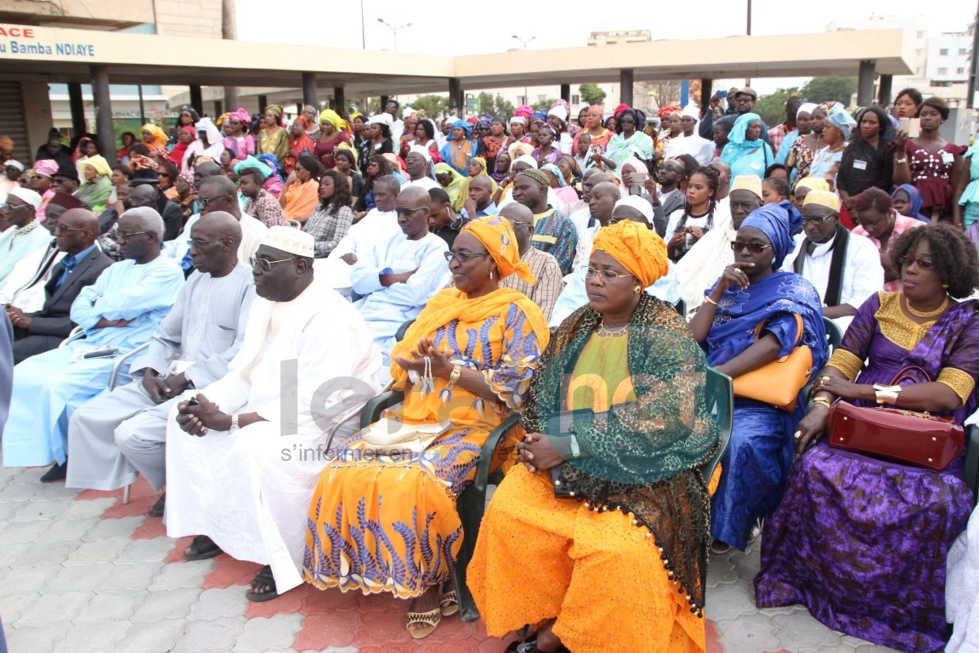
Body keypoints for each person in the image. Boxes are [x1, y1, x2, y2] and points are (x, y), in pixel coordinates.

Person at [469, 218, 718, 652]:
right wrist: (540, 438)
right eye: (592, 270)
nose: (595, 282)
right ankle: (550, 613)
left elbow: (667, 416)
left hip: (649, 470)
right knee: (510, 512)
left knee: (616, 550)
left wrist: (570, 443)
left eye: (609, 273)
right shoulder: (578, 323)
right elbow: (542, 391)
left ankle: (559, 639)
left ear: (638, 282)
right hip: (571, 459)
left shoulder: (665, 331)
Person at [303, 214, 550, 639]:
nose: (453, 265)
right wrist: (419, 366)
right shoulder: (443, 303)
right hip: (418, 415)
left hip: (474, 425)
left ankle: (429, 582)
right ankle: (381, 566)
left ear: (493, 262)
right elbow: (412, 367)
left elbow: (518, 390)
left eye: (465, 257)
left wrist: (449, 371)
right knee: (343, 469)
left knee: (413, 479)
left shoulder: (518, 313)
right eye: (451, 255)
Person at [756, 223, 979, 653]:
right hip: (860, 429)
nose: (910, 270)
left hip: (925, 441)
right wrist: (822, 406)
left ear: (948, 274)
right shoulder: (879, 305)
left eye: (925, 264)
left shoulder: (968, 321)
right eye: (908, 260)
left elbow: (951, 393)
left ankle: (894, 612)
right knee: (814, 467)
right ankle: (817, 588)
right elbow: (839, 365)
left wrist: (864, 392)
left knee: (937, 500)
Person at [167, 226, 384, 602]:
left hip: (327, 419)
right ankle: (223, 529)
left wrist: (233, 420)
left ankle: (284, 555)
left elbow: (317, 402)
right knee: (182, 418)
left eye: (265, 264)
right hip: (278, 400)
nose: (256, 272)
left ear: (300, 266)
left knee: (255, 448)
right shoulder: (268, 301)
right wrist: (208, 403)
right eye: (255, 263)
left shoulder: (329, 314)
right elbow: (245, 372)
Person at [64, 213, 253, 513]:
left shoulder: (249, 285)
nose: (191, 252)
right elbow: (165, 334)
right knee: (87, 416)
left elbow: (242, 350)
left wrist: (188, 378)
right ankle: (175, 480)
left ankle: (175, 485)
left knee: (131, 435)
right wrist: (150, 371)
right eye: (192, 243)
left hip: (210, 385)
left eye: (200, 244)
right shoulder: (195, 280)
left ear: (228, 244)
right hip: (169, 378)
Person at [1, 208, 184, 480]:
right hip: (89, 342)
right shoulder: (117, 268)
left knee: (56, 385)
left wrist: (101, 308)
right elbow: (79, 308)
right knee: (24, 375)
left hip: (126, 353)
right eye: (118, 234)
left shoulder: (167, 271)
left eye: (126, 235)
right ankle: (48, 449)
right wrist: (104, 318)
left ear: (151, 237)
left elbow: (123, 303)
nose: (118, 241)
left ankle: (66, 455)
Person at [688, 201, 827, 553]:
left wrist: (716, 376)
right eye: (739, 244)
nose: (745, 252)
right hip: (709, 387)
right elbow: (692, 339)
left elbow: (774, 344)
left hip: (757, 401)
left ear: (776, 249)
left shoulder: (794, 290)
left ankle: (727, 527)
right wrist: (717, 291)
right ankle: (678, 516)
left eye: (756, 246)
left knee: (738, 441)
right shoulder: (730, 287)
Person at [350, 186, 451, 360]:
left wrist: (376, 282)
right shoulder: (388, 241)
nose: (401, 219)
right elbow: (357, 281)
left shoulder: (436, 247)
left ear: (426, 212)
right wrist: (396, 277)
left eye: (408, 213)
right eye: (398, 212)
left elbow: (414, 294)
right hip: (363, 310)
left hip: (394, 322)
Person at [7, 209, 113, 363]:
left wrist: (31, 322)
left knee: (6, 353)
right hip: (44, 328)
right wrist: (18, 315)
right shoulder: (62, 264)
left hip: (68, 337)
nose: (56, 233)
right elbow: (50, 311)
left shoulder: (104, 269)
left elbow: (86, 322)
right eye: (57, 227)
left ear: (85, 235)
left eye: (63, 229)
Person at [781, 190, 884, 330]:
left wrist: (811, 315)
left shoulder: (861, 247)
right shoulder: (795, 244)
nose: (810, 227)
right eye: (805, 220)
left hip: (846, 328)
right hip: (798, 324)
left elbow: (864, 303)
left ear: (836, 218)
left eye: (818, 219)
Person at [674, 175, 764, 315]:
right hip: (701, 311)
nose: (739, 210)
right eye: (734, 205)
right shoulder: (714, 237)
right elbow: (680, 276)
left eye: (746, 205)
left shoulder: (765, 243)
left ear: (760, 205)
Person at [894, 96, 966, 223]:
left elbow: (957, 189)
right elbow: (902, 181)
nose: (927, 117)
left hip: (942, 208)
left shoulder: (954, 150)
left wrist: (957, 221)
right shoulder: (906, 145)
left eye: (933, 114)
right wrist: (900, 151)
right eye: (923, 114)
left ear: (942, 118)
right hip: (913, 204)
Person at [498, 203, 564, 322]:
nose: (502, 229)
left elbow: (540, 318)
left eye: (510, 224)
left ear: (529, 230)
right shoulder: (487, 257)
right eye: (499, 223)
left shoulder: (546, 263)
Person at [851, 187, 923, 292]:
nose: (868, 228)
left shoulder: (916, 230)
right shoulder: (857, 234)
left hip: (907, 301)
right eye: (863, 223)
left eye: (874, 223)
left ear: (889, 213)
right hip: (869, 303)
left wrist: (890, 263)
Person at [512, 169, 579, 276]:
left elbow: (559, 268)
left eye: (524, 188)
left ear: (542, 190)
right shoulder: (509, 219)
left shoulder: (563, 225)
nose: (517, 193)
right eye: (515, 188)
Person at [837, 106, 894, 216]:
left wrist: (858, 199)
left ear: (881, 126)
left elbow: (886, 181)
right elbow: (841, 178)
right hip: (848, 206)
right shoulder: (851, 148)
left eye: (872, 123)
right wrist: (847, 201)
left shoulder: (887, 148)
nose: (866, 126)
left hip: (874, 205)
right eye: (864, 122)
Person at [665, 165, 725, 262]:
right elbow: (666, 258)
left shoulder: (720, 218)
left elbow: (720, 256)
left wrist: (702, 240)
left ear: (710, 192)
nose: (691, 191)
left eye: (698, 187)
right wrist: (672, 245)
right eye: (689, 186)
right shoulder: (676, 216)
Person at [0, 188, 52, 291]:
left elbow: (24, 277)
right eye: (5, 206)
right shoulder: (13, 231)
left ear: (30, 209)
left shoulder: (42, 238)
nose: (5, 211)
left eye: (11, 207)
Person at [303, 170, 353, 258]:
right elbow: (305, 231)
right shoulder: (320, 207)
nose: (322, 187)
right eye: (321, 184)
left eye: (327, 184)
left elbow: (338, 243)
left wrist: (312, 245)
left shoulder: (344, 210)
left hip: (320, 257)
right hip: (303, 251)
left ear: (338, 187)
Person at [808, 103, 854, 190]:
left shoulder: (848, 154)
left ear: (839, 131)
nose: (823, 130)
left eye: (827, 127)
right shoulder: (821, 152)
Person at [720, 113, 774, 181]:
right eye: (754, 127)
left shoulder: (765, 148)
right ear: (744, 128)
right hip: (731, 191)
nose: (758, 130)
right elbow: (721, 173)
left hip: (756, 190)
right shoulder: (729, 148)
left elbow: (771, 175)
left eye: (759, 127)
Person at [602, 107, 653, 176]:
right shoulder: (614, 139)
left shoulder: (644, 139)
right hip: (614, 174)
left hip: (636, 175)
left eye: (629, 120)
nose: (625, 122)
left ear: (634, 122)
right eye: (623, 120)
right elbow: (612, 164)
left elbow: (646, 159)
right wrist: (600, 157)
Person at [279, 154, 321, 223]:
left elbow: (303, 213)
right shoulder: (293, 184)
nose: (295, 172)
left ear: (308, 171)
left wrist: (284, 216)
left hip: (294, 223)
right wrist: (286, 184)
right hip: (282, 217)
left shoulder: (314, 187)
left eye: (298, 169)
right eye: (295, 169)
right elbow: (280, 207)